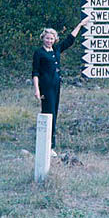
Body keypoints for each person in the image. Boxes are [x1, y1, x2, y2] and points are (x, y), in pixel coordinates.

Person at [32, 17, 90, 156]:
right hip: (45, 87)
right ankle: (48, 146)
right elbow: (35, 72)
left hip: (56, 86)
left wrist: (80, 25)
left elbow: (70, 40)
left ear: (55, 39)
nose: (49, 41)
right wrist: (36, 90)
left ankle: (50, 144)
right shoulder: (39, 53)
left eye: (51, 38)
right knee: (48, 112)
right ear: (43, 38)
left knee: (54, 114)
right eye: (47, 38)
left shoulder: (56, 49)